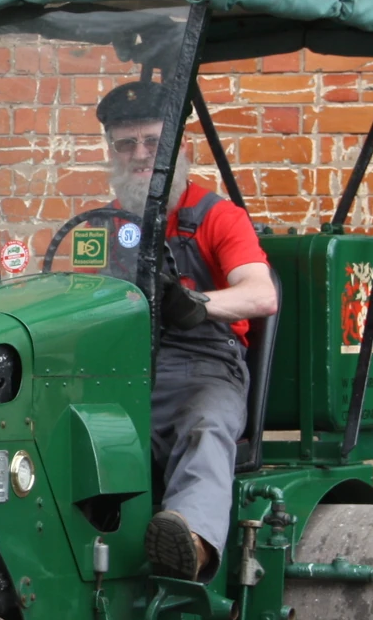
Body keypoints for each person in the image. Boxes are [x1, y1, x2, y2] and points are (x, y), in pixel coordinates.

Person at [96, 80, 279, 581]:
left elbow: (261, 294)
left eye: (153, 142)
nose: (140, 155)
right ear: (112, 151)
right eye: (126, 144)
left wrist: (196, 303)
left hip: (203, 363)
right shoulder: (100, 225)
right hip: (119, 365)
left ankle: (191, 543)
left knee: (206, 423)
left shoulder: (217, 216)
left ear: (180, 148)